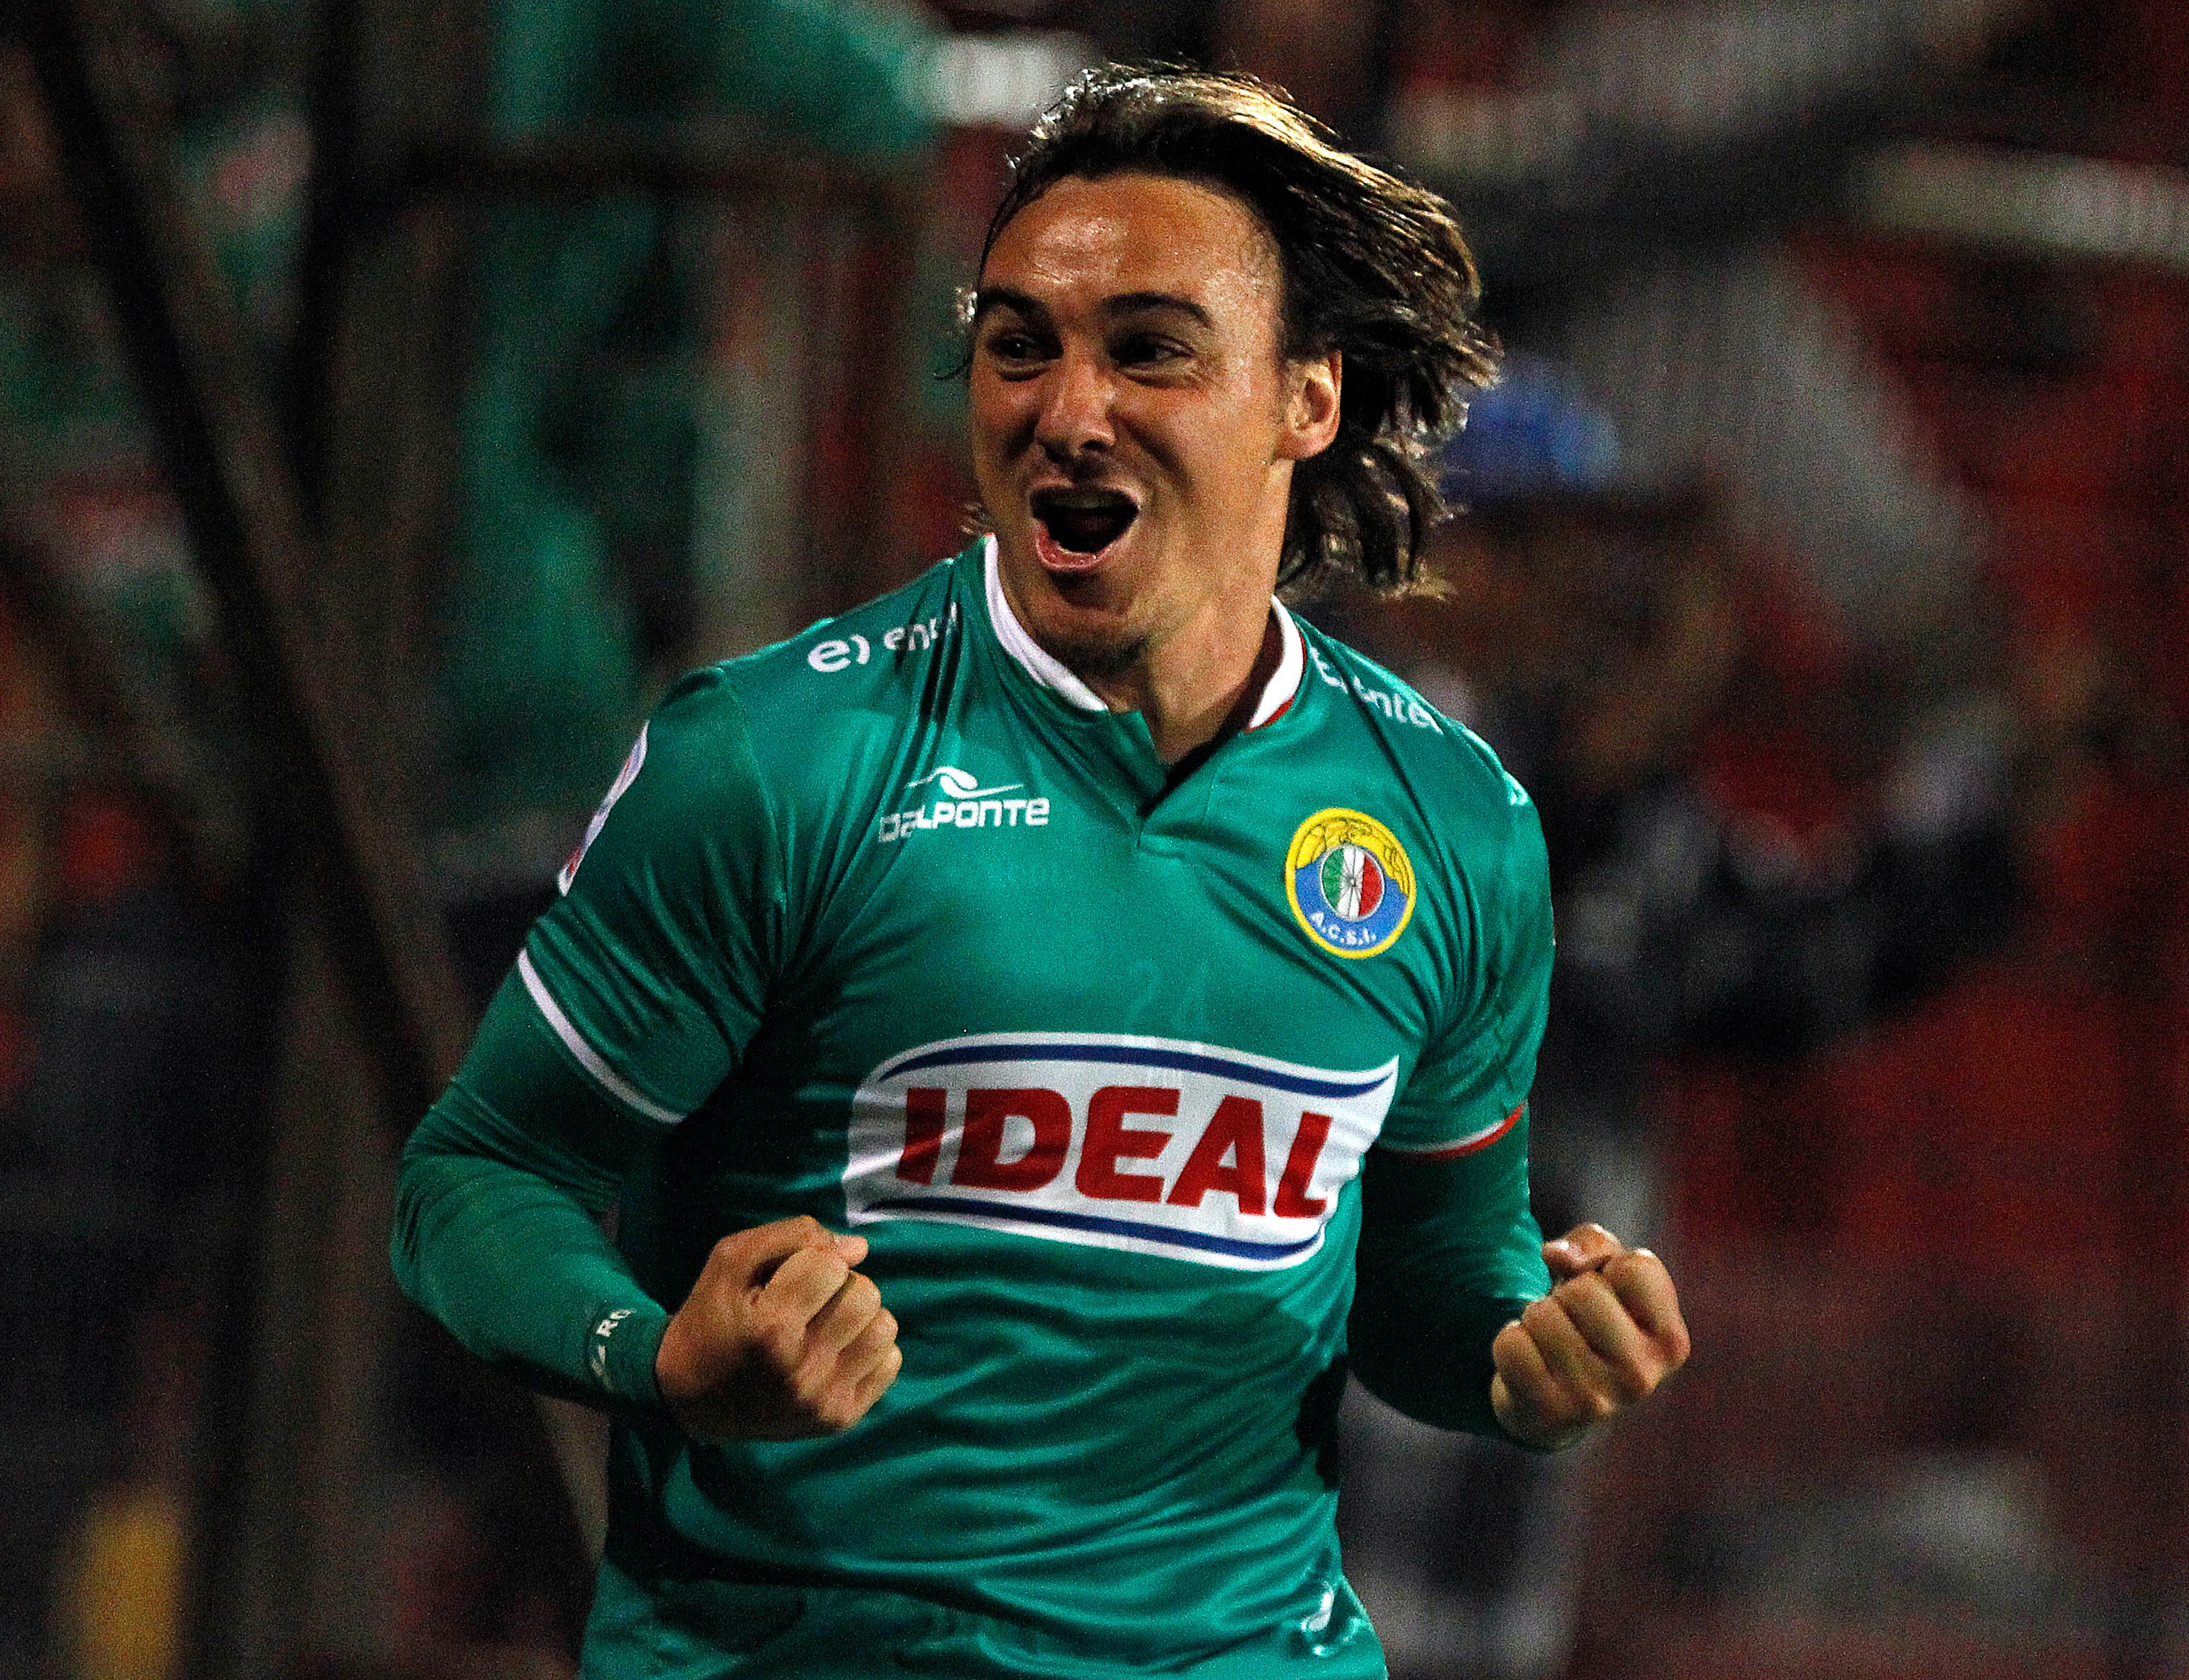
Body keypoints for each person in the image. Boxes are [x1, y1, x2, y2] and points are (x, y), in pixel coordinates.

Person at [392, 66, 1690, 1679]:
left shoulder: (1453, 827)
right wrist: (659, 1357)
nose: (1066, 409)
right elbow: (478, 1182)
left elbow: (1436, 1286)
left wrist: (1522, 1358)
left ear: (1308, 398)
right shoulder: (776, 763)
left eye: (1148, 348)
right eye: (1020, 344)